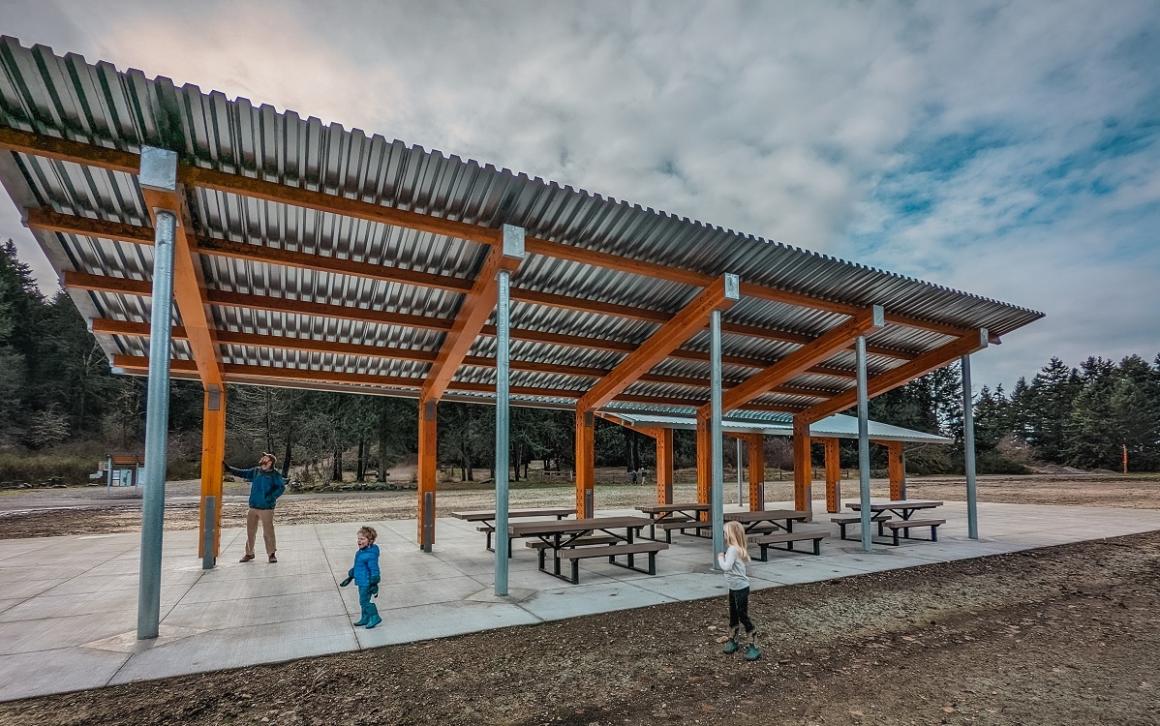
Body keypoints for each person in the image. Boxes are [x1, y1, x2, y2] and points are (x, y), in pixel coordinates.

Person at [224, 452, 286, 563]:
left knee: (268, 531)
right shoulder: (256, 471)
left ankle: (271, 554)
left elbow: (281, 487)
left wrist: (271, 497)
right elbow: (243, 473)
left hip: (267, 508)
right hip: (253, 506)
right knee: (250, 531)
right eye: (262, 458)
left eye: (265, 458)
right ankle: (249, 553)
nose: (262, 460)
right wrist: (229, 469)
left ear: (270, 462)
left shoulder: (275, 475)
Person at [718, 520, 760, 661]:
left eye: (725, 533)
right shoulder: (734, 548)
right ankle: (733, 639)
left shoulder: (732, 550)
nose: (723, 535)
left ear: (731, 535)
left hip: (740, 588)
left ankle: (753, 640)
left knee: (742, 614)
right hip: (734, 587)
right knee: (733, 613)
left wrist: (720, 557)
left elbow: (726, 567)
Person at [340, 526, 382, 629]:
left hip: (367, 582)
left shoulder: (371, 555)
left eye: (362, 539)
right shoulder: (360, 552)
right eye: (358, 538)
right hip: (361, 581)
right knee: (362, 600)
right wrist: (351, 575)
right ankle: (365, 618)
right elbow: (358, 566)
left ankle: (374, 616)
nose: (359, 541)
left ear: (370, 541)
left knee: (365, 601)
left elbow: (374, 569)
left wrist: (374, 582)